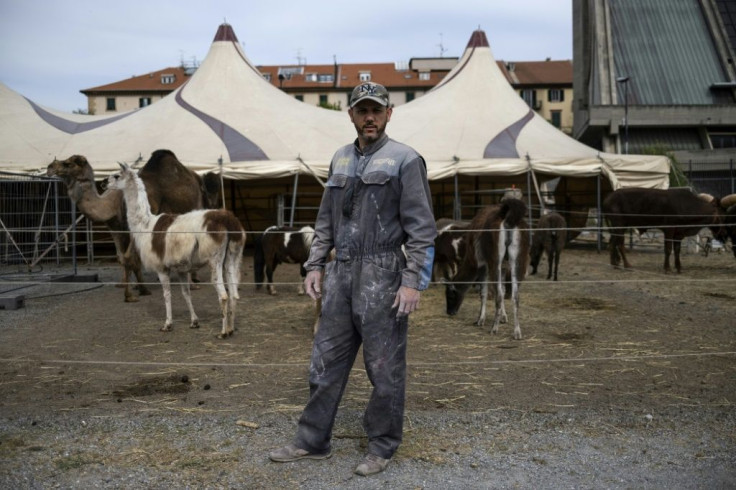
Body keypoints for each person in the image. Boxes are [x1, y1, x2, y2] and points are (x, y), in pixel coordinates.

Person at [269, 81, 437, 476]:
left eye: (376, 110)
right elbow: (325, 221)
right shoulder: (340, 159)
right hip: (340, 273)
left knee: (384, 367)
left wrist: (413, 281)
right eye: (362, 110)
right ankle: (312, 440)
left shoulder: (406, 160)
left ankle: (381, 445)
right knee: (324, 361)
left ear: (388, 114)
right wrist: (314, 265)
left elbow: (422, 229)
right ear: (351, 115)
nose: (369, 117)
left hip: (384, 273)